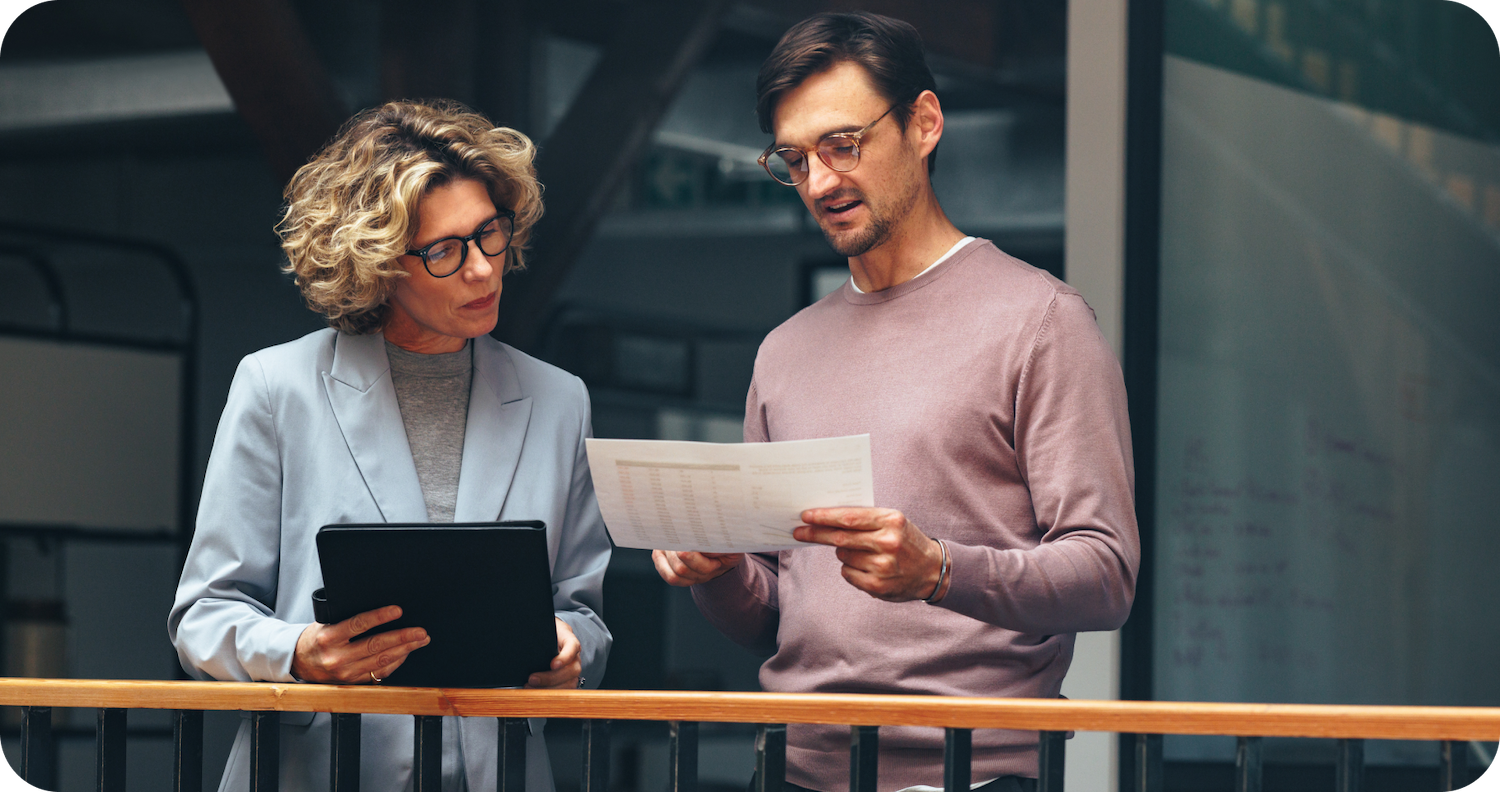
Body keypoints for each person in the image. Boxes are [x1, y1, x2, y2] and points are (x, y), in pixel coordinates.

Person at [652, 13, 1139, 792]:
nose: (820, 182)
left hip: (972, 773)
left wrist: (939, 571)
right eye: (795, 159)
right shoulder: (783, 352)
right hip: (792, 769)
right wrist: (717, 571)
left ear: (924, 122)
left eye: (843, 145)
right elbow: (778, 616)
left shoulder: (1041, 322)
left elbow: (1106, 574)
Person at [169, 99, 611, 792]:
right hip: (321, 772)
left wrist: (574, 649)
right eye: (443, 251)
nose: (483, 270)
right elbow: (204, 615)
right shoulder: (276, 387)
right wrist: (300, 653)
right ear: (375, 261)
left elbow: (583, 612)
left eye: (490, 234)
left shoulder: (560, 401)